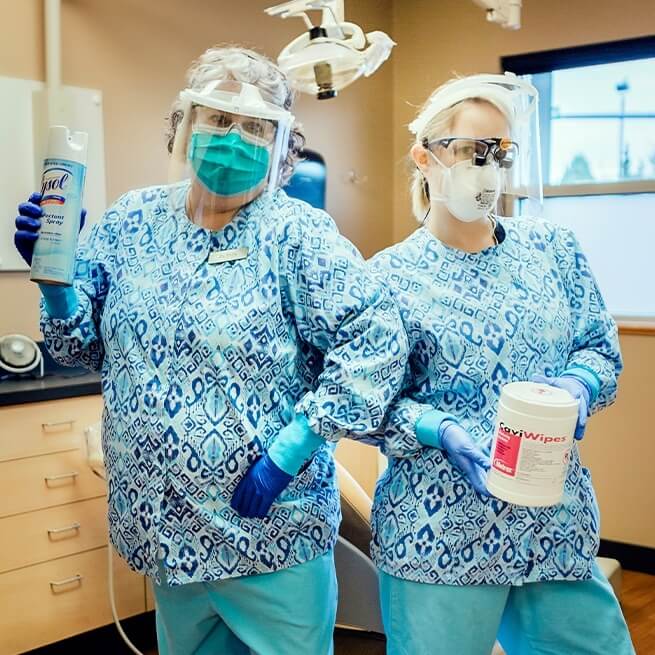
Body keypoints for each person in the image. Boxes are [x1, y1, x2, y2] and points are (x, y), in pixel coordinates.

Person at [14, 46, 408, 655]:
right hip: (165, 529)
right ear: (185, 124)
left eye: (255, 126)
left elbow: (376, 342)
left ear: (280, 146)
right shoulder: (130, 223)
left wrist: (292, 449)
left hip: (269, 531)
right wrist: (58, 286)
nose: (233, 138)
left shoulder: (298, 236)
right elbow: (82, 348)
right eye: (219, 118)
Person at [367, 73, 635, 655]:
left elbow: (599, 347)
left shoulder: (553, 252)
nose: (489, 168)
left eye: (501, 153)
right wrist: (436, 428)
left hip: (552, 518)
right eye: (472, 152)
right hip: (436, 528)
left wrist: (579, 383)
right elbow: (364, 401)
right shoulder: (384, 279)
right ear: (426, 158)